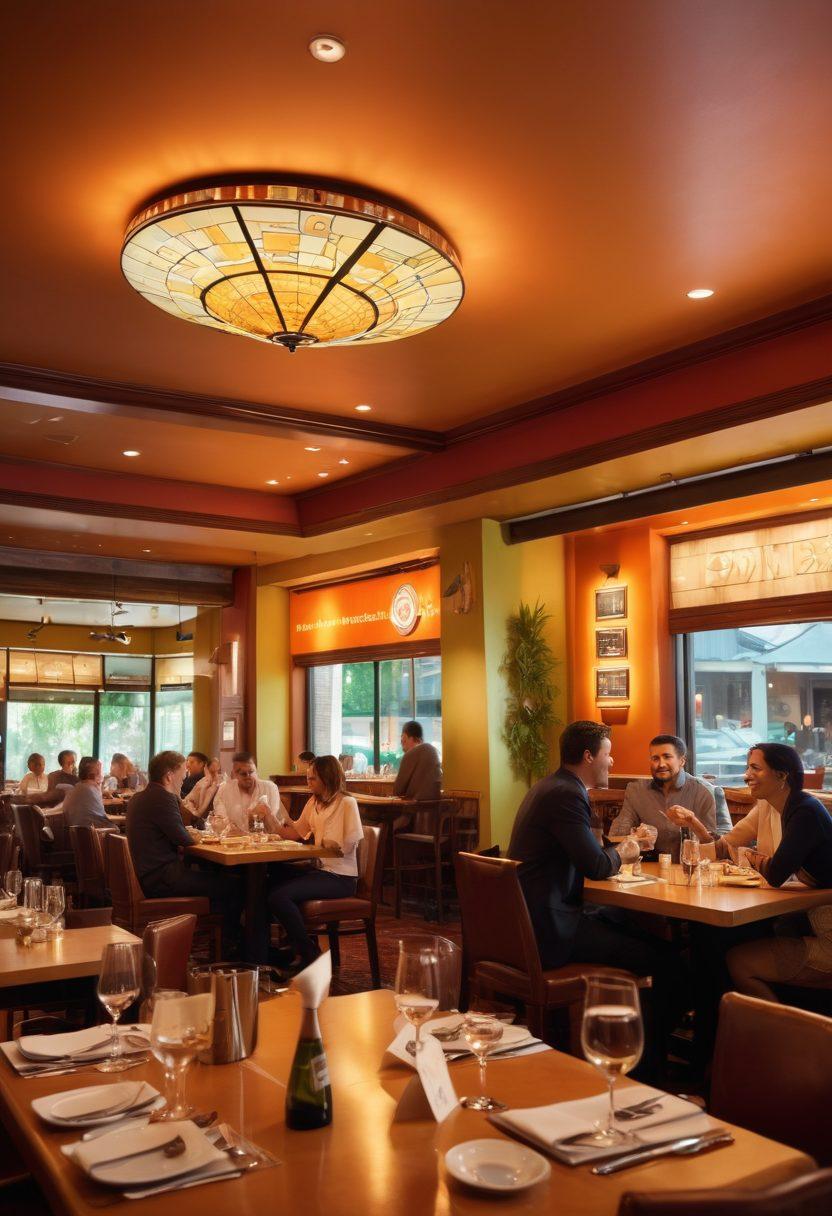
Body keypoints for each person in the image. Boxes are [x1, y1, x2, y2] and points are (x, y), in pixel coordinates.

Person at [508, 720, 684, 1079]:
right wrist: (631, 850)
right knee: (663, 958)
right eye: (607, 754)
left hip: (533, 921)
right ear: (589, 756)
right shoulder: (566, 794)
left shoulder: (551, 786)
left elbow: (590, 853)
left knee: (629, 925)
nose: (612, 761)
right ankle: (647, 1070)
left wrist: (617, 849)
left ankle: (642, 1051)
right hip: (552, 932)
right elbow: (598, 865)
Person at [725, 743, 832, 1001]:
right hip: (810, 926)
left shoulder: (805, 811)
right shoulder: (792, 808)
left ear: (782, 775)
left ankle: (782, 1036)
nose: (746, 775)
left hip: (827, 941)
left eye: (755, 768)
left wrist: (748, 855)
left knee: (738, 961)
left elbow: (775, 873)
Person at [126, 750, 242, 956]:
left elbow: (176, 832)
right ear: (169, 775)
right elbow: (184, 839)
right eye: (182, 772)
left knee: (222, 880)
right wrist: (203, 835)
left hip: (149, 876)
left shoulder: (139, 797)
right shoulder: (163, 798)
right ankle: (231, 951)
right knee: (235, 886)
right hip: (163, 879)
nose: (185, 777)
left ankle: (209, 944)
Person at [268, 755, 363, 969]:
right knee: (269, 880)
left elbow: (348, 845)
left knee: (279, 896)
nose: (307, 783)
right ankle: (287, 949)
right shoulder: (314, 802)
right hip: (321, 870)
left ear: (327, 778)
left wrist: (324, 845)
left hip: (341, 877)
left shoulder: (347, 803)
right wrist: (269, 817)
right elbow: (296, 832)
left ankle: (309, 953)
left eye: (312, 779)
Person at [609, 734, 731, 861]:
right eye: (655, 758)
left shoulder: (706, 791)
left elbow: (721, 848)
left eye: (667, 757)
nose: (661, 764)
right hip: (649, 871)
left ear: (682, 761)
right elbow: (617, 836)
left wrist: (693, 822)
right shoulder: (636, 791)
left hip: (693, 869)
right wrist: (635, 836)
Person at [211, 752, 284, 832]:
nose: (248, 776)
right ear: (234, 774)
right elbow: (220, 822)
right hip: (233, 840)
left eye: (251, 772)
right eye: (243, 774)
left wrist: (252, 818)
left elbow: (272, 824)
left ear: (256, 771)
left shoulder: (270, 788)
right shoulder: (224, 790)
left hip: (265, 840)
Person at [392, 721, 442, 801]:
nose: (402, 748)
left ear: (404, 737)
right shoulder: (434, 751)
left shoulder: (409, 755)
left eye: (402, 741)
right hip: (436, 808)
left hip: (414, 809)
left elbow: (397, 791)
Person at [62, 757, 112, 829]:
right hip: (98, 835)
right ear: (91, 775)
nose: (102, 776)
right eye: (101, 772)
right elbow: (102, 818)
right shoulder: (91, 789)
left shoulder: (76, 788)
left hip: (78, 836)